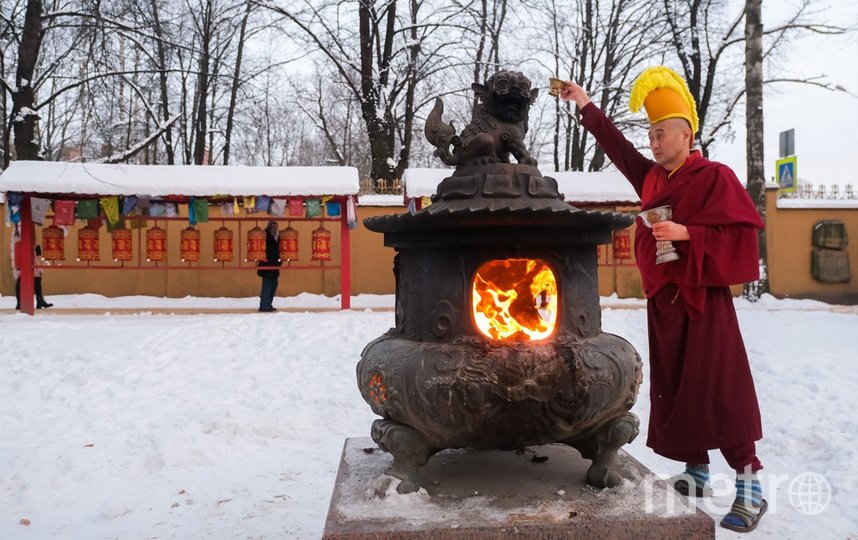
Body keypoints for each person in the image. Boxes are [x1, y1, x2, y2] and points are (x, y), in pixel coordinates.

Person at [559, 66, 766, 533]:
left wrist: (688, 233)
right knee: (677, 387)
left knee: (719, 388)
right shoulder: (653, 179)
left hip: (703, 302)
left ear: (685, 134)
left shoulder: (714, 177)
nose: (652, 142)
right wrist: (586, 105)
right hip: (664, 303)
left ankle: (750, 485)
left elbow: (742, 237)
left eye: (659, 133)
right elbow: (618, 148)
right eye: (649, 134)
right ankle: (696, 472)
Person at [10, 227, 54, 310]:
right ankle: (20, 302)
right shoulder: (21, 228)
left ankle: (39, 300)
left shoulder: (25, 228)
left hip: (30, 257)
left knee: (37, 278)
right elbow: (22, 245)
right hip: (23, 258)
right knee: (21, 279)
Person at [257, 221, 281, 312]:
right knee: (267, 287)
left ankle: (268, 304)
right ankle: (264, 306)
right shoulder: (265, 236)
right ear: (269, 227)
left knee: (273, 286)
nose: (275, 228)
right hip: (266, 265)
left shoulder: (277, 236)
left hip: (274, 266)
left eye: (276, 226)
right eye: (273, 227)